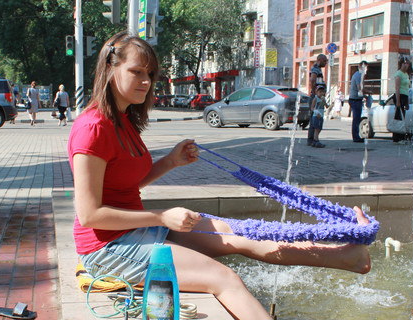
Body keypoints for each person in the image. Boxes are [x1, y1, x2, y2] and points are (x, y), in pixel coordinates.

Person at [68, 31, 371, 320]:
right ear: (110, 68)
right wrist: (161, 217)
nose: (147, 81)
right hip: (107, 250)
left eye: (150, 74)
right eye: (137, 72)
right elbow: (90, 215)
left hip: (138, 234)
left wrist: (171, 161)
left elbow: (125, 185)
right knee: (224, 278)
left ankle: (345, 257)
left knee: (244, 235)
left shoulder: (124, 121)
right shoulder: (92, 128)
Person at [307, 54, 327, 146]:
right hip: (316, 96)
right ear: (319, 60)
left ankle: (312, 140)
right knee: (315, 120)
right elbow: (312, 80)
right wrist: (315, 93)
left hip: (318, 96)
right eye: (324, 61)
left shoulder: (318, 69)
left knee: (316, 120)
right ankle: (312, 140)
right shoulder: (315, 68)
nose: (325, 63)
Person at [348, 60, 370, 142]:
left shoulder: (360, 75)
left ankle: (356, 136)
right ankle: (356, 137)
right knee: (356, 119)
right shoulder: (358, 75)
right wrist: (367, 93)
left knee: (357, 118)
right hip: (355, 100)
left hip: (357, 100)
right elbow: (359, 89)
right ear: (360, 66)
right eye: (365, 67)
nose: (366, 69)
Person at [393, 56, 412, 144]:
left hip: (405, 96)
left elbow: (407, 88)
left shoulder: (406, 74)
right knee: (398, 117)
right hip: (399, 95)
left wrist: (407, 102)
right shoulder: (399, 74)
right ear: (401, 64)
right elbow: (397, 88)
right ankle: (397, 137)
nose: (407, 65)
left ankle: (401, 135)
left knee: (403, 116)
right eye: (405, 63)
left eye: (408, 64)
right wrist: (398, 101)